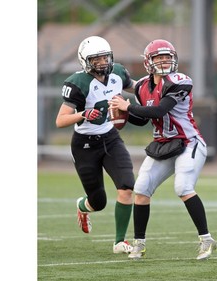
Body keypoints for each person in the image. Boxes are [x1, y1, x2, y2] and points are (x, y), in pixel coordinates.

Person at [109, 39, 217, 260]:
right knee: (141, 190)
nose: (164, 61)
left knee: (183, 187)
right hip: (163, 145)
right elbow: (143, 119)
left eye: (167, 57)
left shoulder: (180, 81)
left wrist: (127, 106)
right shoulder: (141, 87)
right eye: (159, 57)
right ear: (149, 62)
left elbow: (159, 111)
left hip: (188, 143)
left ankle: (207, 240)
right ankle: (139, 244)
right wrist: (124, 114)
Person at [55, 35, 136, 254]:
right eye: (96, 59)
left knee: (127, 186)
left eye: (104, 57)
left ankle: (120, 241)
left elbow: (137, 87)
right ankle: (83, 207)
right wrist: (82, 114)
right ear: (85, 61)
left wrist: (156, 93)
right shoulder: (78, 82)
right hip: (85, 145)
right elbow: (60, 120)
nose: (102, 62)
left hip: (110, 137)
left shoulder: (118, 72)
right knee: (98, 201)